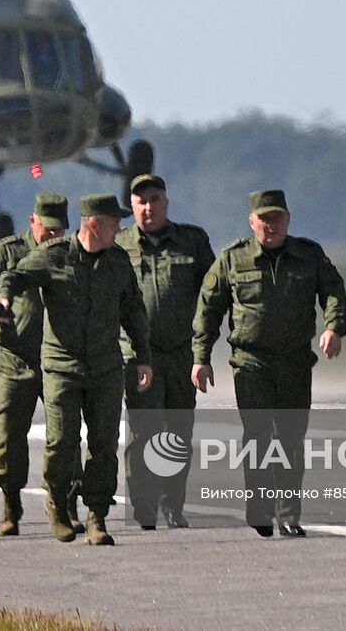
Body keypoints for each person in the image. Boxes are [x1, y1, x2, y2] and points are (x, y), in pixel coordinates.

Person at [0, 194, 153, 546]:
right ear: (94, 224)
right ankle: (58, 503)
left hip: (106, 365)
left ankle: (96, 516)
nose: (119, 229)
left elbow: (133, 310)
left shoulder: (118, 261)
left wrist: (143, 356)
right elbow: (14, 276)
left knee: (104, 444)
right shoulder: (55, 255)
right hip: (61, 366)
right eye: (113, 223)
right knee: (62, 442)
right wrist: (3, 299)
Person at [193, 188, 346, 538]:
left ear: (288, 220)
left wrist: (334, 327)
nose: (271, 225)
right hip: (251, 362)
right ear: (252, 222)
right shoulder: (232, 259)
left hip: (295, 361)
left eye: (277, 218)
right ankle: (261, 508)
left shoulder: (309, 255)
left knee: (290, 439)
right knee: (259, 437)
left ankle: (289, 514)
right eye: (264, 219)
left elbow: (334, 291)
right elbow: (209, 309)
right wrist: (201, 358)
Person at [0, 192, 79, 537]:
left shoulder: (72, 253)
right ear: (33, 222)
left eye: (60, 230)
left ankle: (66, 502)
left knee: (65, 436)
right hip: (16, 358)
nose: (53, 236)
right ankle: (11, 505)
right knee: (9, 438)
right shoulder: (8, 252)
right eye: (47, 229)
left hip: (59, 359)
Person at [115, 174, 214, 530]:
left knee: (177, 434)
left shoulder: (192, 241)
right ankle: (143, 504)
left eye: (154, 199)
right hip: (139, 355)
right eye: (140, 201)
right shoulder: (119, 244)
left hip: (180, 354)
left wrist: (204, 351)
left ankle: (173, 505)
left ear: (166, 203)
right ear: (132, 205)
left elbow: (212, 296)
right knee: (143, 433)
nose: (148, 207)